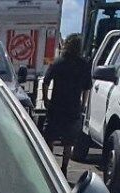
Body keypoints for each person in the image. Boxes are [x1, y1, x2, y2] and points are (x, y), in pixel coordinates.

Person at [41, 35, 90, 168]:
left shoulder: (57, 63)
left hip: (56, 106)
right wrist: (83, 104)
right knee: (69, 142)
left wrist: (45, 99)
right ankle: (64, 167)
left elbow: (45, 82)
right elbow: (87, 88)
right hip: (73, 108)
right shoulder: (83, 65)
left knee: (49, 137)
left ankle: (51, 165)